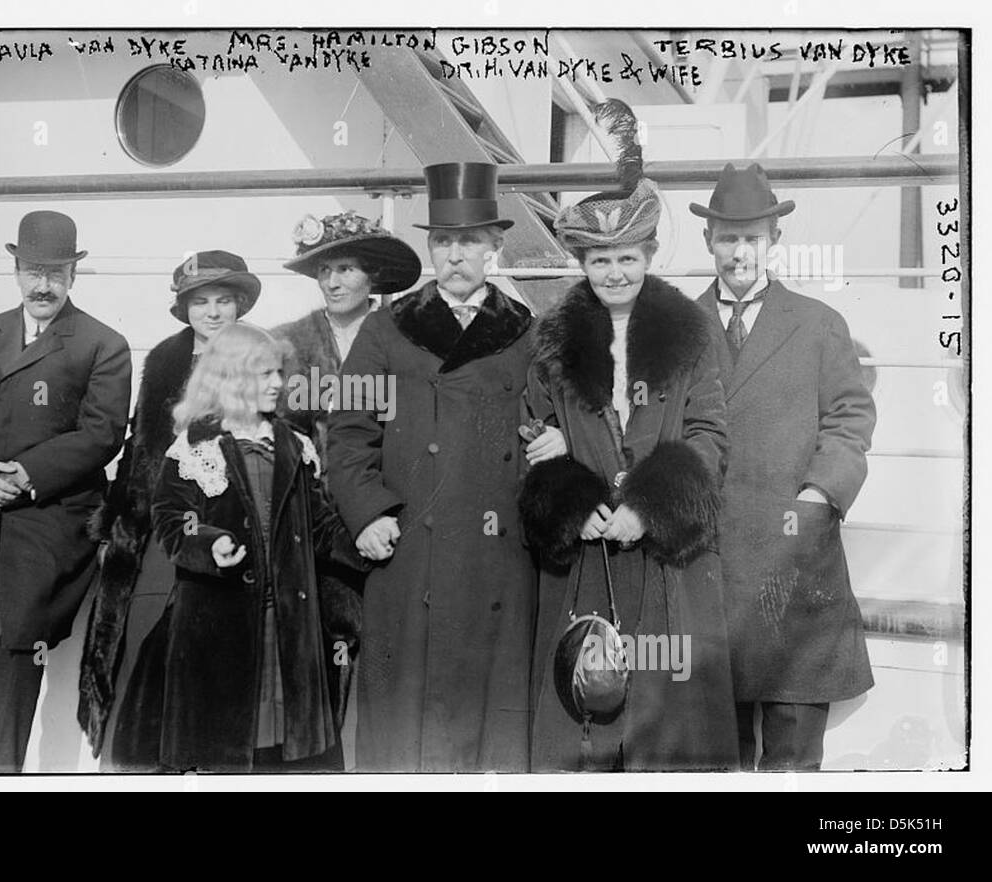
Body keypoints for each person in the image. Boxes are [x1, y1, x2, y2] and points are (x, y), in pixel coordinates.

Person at [327, 162, 565, 772]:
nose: (455, 254)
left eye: (469, 241)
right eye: (443, 241)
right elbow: (349, 437)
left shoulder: (528, 333)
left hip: (499, 557)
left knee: (490, 726)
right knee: (405, 728)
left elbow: (558, 420)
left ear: (494, 248)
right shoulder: (386, 328)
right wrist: (366, 514)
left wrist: (555, 442)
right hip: (409, 551)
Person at [519, 110, 739, 768]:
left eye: (626, 258)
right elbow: (532, 431)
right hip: (590, 562)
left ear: (647, 255)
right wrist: (566, 492)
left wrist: (650, 506)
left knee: (667, 733)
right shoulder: (553, 348)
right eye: (598, 260)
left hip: (667, 564)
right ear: (581, 261)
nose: (613, 273)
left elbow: (709, 432)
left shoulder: (691, 336)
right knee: (591, 717)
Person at [0, 210, 132, 772]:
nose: (43, 285)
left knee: (20, 643)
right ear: (15, 269)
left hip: (49, 520)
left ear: (73, 275)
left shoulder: (102, 344)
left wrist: (21, 475)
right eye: (34, 270)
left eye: (56, 273)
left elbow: (102, 433)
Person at [691, 163, 876, 771]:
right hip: (709, 564)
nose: (739, 252)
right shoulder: (678, 328)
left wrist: (819, 496)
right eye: (728, 237)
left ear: (775, 241)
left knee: (794, 763)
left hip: (798, 565)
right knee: (718, 758)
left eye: (751, 237)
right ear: (708, 241)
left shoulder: (820, 324)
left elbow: (850, 419)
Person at [142, 322, 370, 771]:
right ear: (233, 378)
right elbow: (172, 521)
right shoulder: (194, 447)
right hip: (220, 621)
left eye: (279, 373)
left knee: (284, 746)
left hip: (288, 623)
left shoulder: (294, 444)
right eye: (265, 374)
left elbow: (320, 524)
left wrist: (363, 540)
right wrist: (208, 544)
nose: (278, 383)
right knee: (226, 744)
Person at [77, 251, 260, 768]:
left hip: (229, 530)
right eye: (200, 301)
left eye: (224, 300)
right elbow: (139, 447)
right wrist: (120, 520)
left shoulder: (260, 358)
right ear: (184, 308)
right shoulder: (162, 359)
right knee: (142, 639)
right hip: (161, 527)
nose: (213, 312)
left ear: (241, 305)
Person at [272, 210, 423, 741]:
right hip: (314, 527)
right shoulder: (286, 345)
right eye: (324, 271)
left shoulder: (408, 337)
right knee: (321, 659)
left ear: (374, 277)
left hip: (389, 516)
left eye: (347, 269)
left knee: (393, 657)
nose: (333, 282)